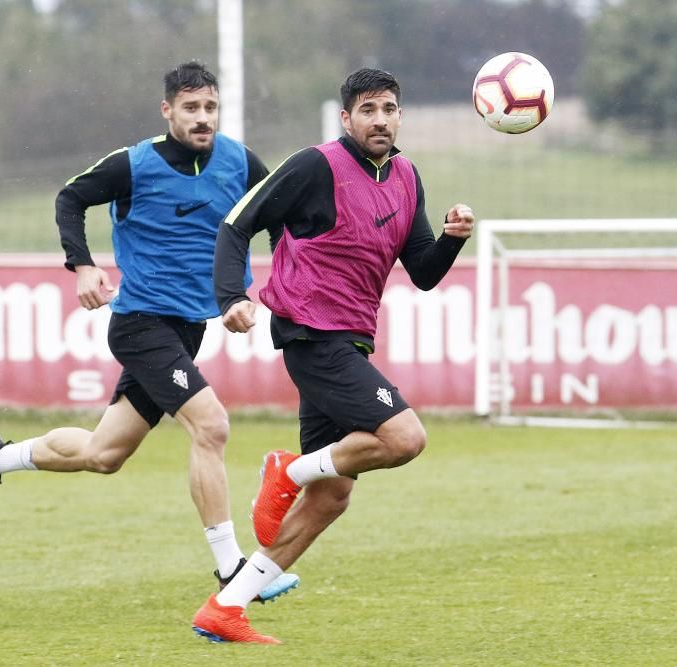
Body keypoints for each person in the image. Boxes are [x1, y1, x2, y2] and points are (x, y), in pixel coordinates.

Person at [0, 61, 299, 604]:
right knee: (212, 425)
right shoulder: (134, 164)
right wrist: (81, 265)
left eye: (210, 108)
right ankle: (231, 570)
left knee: (104, 454)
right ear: (167, 110)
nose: (203, 119)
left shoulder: (239, 162)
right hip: (139, 325)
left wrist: (249, 294)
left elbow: (280, 219)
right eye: (191, 108)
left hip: (187, 331)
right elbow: (70, 198)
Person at [191, 67, 475, 644]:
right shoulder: (314, 166)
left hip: (350, 337)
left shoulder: (405, 177)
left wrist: (451, 239)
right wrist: (230, 298)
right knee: (405, 438)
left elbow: (421, 271)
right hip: (311, 334)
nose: (380, 120)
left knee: (332, 496)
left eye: (389, 109)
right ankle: (286, 470)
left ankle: (225, 607)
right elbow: (235, 226)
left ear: (400, 117)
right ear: (346, 118)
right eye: (367, 110)